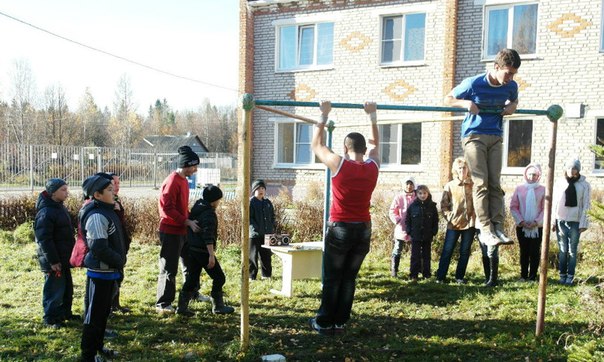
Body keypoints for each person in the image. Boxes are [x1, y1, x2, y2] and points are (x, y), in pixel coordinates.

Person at [308, 100, 380, 335]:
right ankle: (340, 321)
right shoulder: (373, 166)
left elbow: (317, 145)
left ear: (345, 146)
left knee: (332, 278)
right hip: (363, 229)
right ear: (364, 148)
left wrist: (324, 114)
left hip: (341, 228)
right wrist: (372, 116)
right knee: (349, 278)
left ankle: (325, 322)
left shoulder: (340, 164)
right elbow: (376, 145)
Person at [444, 48, 521, 247]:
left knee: (495, 183)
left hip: (495, 135)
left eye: (514, 73)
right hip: (473, 136)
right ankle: (485, 229)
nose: (510, 77)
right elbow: (448, 99)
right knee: (481, 182)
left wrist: (513, 105)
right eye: (508, 72)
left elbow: (514, 100)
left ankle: (498, 228)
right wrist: (466, 103)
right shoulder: (474, 83)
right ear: (496, 67)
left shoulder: (511, 86)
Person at [79, 175, 126, 361]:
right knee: (94, 317)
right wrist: (118, 261)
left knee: (103, 314)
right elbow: (99, 247)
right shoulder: (97, 215)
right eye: (108, 190)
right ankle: (88, 355)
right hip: (100, 273)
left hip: (109, 272)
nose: (113, 191)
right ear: (97, 195)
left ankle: (98, 347)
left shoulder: (107, 210)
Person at [155, 146, 201, 313]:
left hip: (182, 230)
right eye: (194, 166)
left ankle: (192, 293)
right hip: (171, 231)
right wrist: (186, 221)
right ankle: (163, 303)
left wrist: (189, 219)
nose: (195, 170)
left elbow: (181, 207)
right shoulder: (172, 181)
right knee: (169, 267)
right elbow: (167, 209)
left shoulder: (184, 180)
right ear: (186, 165)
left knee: (190, 264)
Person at [177, 185, 235, 316]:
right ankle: (218, 306)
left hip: (192, 249)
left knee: (191, 279)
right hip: (203, 251)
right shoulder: (209, 214)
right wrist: (211, 255)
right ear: (214, 201)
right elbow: (208, 236)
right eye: (218, 200)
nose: (219, 203)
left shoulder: (197, 207)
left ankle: (181, 307)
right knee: (219, 278)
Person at [34, 178, 77, 329]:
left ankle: (65, 313)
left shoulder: (59, 207)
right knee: (54, 289)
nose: (67, 193)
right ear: (53, 193)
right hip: (54, 260)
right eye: (63, 190)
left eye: (67, 189)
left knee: (66, 287)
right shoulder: (46, 212)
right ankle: (50, 317)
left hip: (64, 257)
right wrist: (53, 261)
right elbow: (44, 239)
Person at [436, 158, 476, 284]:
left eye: (464, 168)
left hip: (470, 223)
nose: (462, 170)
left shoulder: (473, 185)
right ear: (455, 170)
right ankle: (440, 277)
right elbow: (444, 205)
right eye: (460, 168)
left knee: (464, 251)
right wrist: (450, 217)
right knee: (448, 250)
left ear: (468, 169)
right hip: (454, 224)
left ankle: (459, 277)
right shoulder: (450, 185)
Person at [552, 159, 591, 286]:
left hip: (575, 221)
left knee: (572, 250)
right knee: (562, 249)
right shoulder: (559, 183)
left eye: (574, 168)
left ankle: (570, 276)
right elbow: (554, 202)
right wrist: (553, 221)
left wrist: (584, 223)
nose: (571, 171)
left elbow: (586, 204)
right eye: (569, 168)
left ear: (578, 170)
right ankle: (562, 275)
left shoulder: (584, 185)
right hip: (561, 220)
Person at [510, 164, 545, 282]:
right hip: (522, 226)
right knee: (524, 251)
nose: (531, 177)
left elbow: (545, 208)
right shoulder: (519, 189)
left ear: (538, 176)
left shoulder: (543, 189)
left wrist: (536, 222)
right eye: (529, 174)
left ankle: (532, 276)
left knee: (535, 251)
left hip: (537, 227)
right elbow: (514, 206)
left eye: (534, 175)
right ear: (525, 175)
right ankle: (523, 275)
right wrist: (521, 221)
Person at [106, 172, 133, 313]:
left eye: (118, 183)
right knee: (111, 277)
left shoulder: (116, 200)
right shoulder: (106, 203)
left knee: (119, 275)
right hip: (111, 245)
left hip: (121, 244)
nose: (117, 186)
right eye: (114, 183)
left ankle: (115, 304)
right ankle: (108, 307)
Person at [405, 185, 439, 281]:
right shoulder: (412, 206)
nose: (422, 195)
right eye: (420, 193)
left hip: (427, 235)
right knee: (415, 256)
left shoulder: (432, 206)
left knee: (426, 255)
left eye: (424, 193)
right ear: (416, 194)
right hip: (415, 235)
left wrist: (434, 231)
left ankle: (426, 274)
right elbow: (408, 220)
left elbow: (435, 220)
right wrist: (409, 231)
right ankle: (413, 275)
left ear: (428, 194)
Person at [388, 177, 416, 277]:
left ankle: (414, 271)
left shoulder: (417, 197)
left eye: (411, 184)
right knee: (398, 249)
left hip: (414, 228)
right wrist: (398, 219)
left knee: (415, 251)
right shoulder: (399, 197)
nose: (409, 186)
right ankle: (394, 270)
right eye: (407, 184)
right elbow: (392, 210)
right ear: (404, 185)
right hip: (401, 227)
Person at [249, 179, 275, 280]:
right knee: (252, 256)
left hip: (267, 234)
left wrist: (271, 226)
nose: (261, 190)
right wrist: (254, 228)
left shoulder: (267, 203)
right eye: (258, 188)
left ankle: (266, 275)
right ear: (254, 190)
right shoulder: (251, 202)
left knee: (266, 256)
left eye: (263, 188)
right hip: (254, 234)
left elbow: (272, 216)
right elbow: (249, 218)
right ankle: (251, 276)